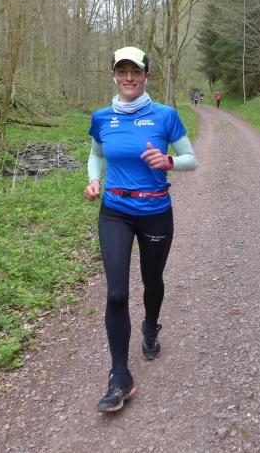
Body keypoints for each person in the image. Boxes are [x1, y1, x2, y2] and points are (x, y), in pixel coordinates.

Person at [83, 46, 198, 412]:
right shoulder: (102, 117)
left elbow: (191, 159)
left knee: (152, 280)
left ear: (147, 76)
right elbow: (96, 153)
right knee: (117, 293)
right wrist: (93, 179)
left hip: (155, 210)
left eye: (135, 71)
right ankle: (119, 376)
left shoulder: (165, 116)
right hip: (114, 210)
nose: (129, 77)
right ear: (114, 76)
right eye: (122, 71)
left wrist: (169, 161)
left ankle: (150, 326)